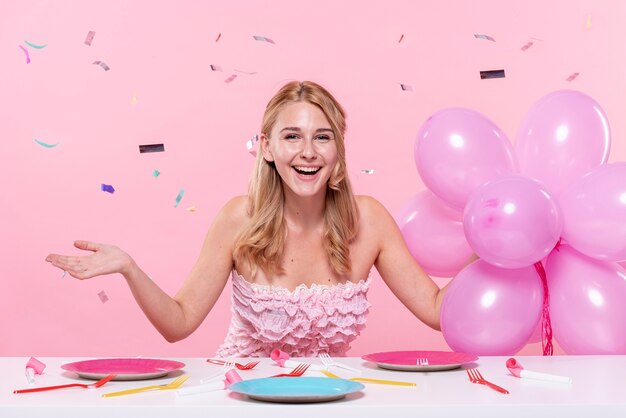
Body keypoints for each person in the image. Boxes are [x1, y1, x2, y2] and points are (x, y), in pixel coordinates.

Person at [46, 80, 446, 357]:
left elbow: (434, 309)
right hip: (241, 398)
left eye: (322, 137)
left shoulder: (370, 220)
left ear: (338, 150)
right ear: (267, 147)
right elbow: (179, 323)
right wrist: (129, 268)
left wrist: (490, 250)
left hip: (329, 399)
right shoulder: (239, 219)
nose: (308, 151)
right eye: (292, 136)